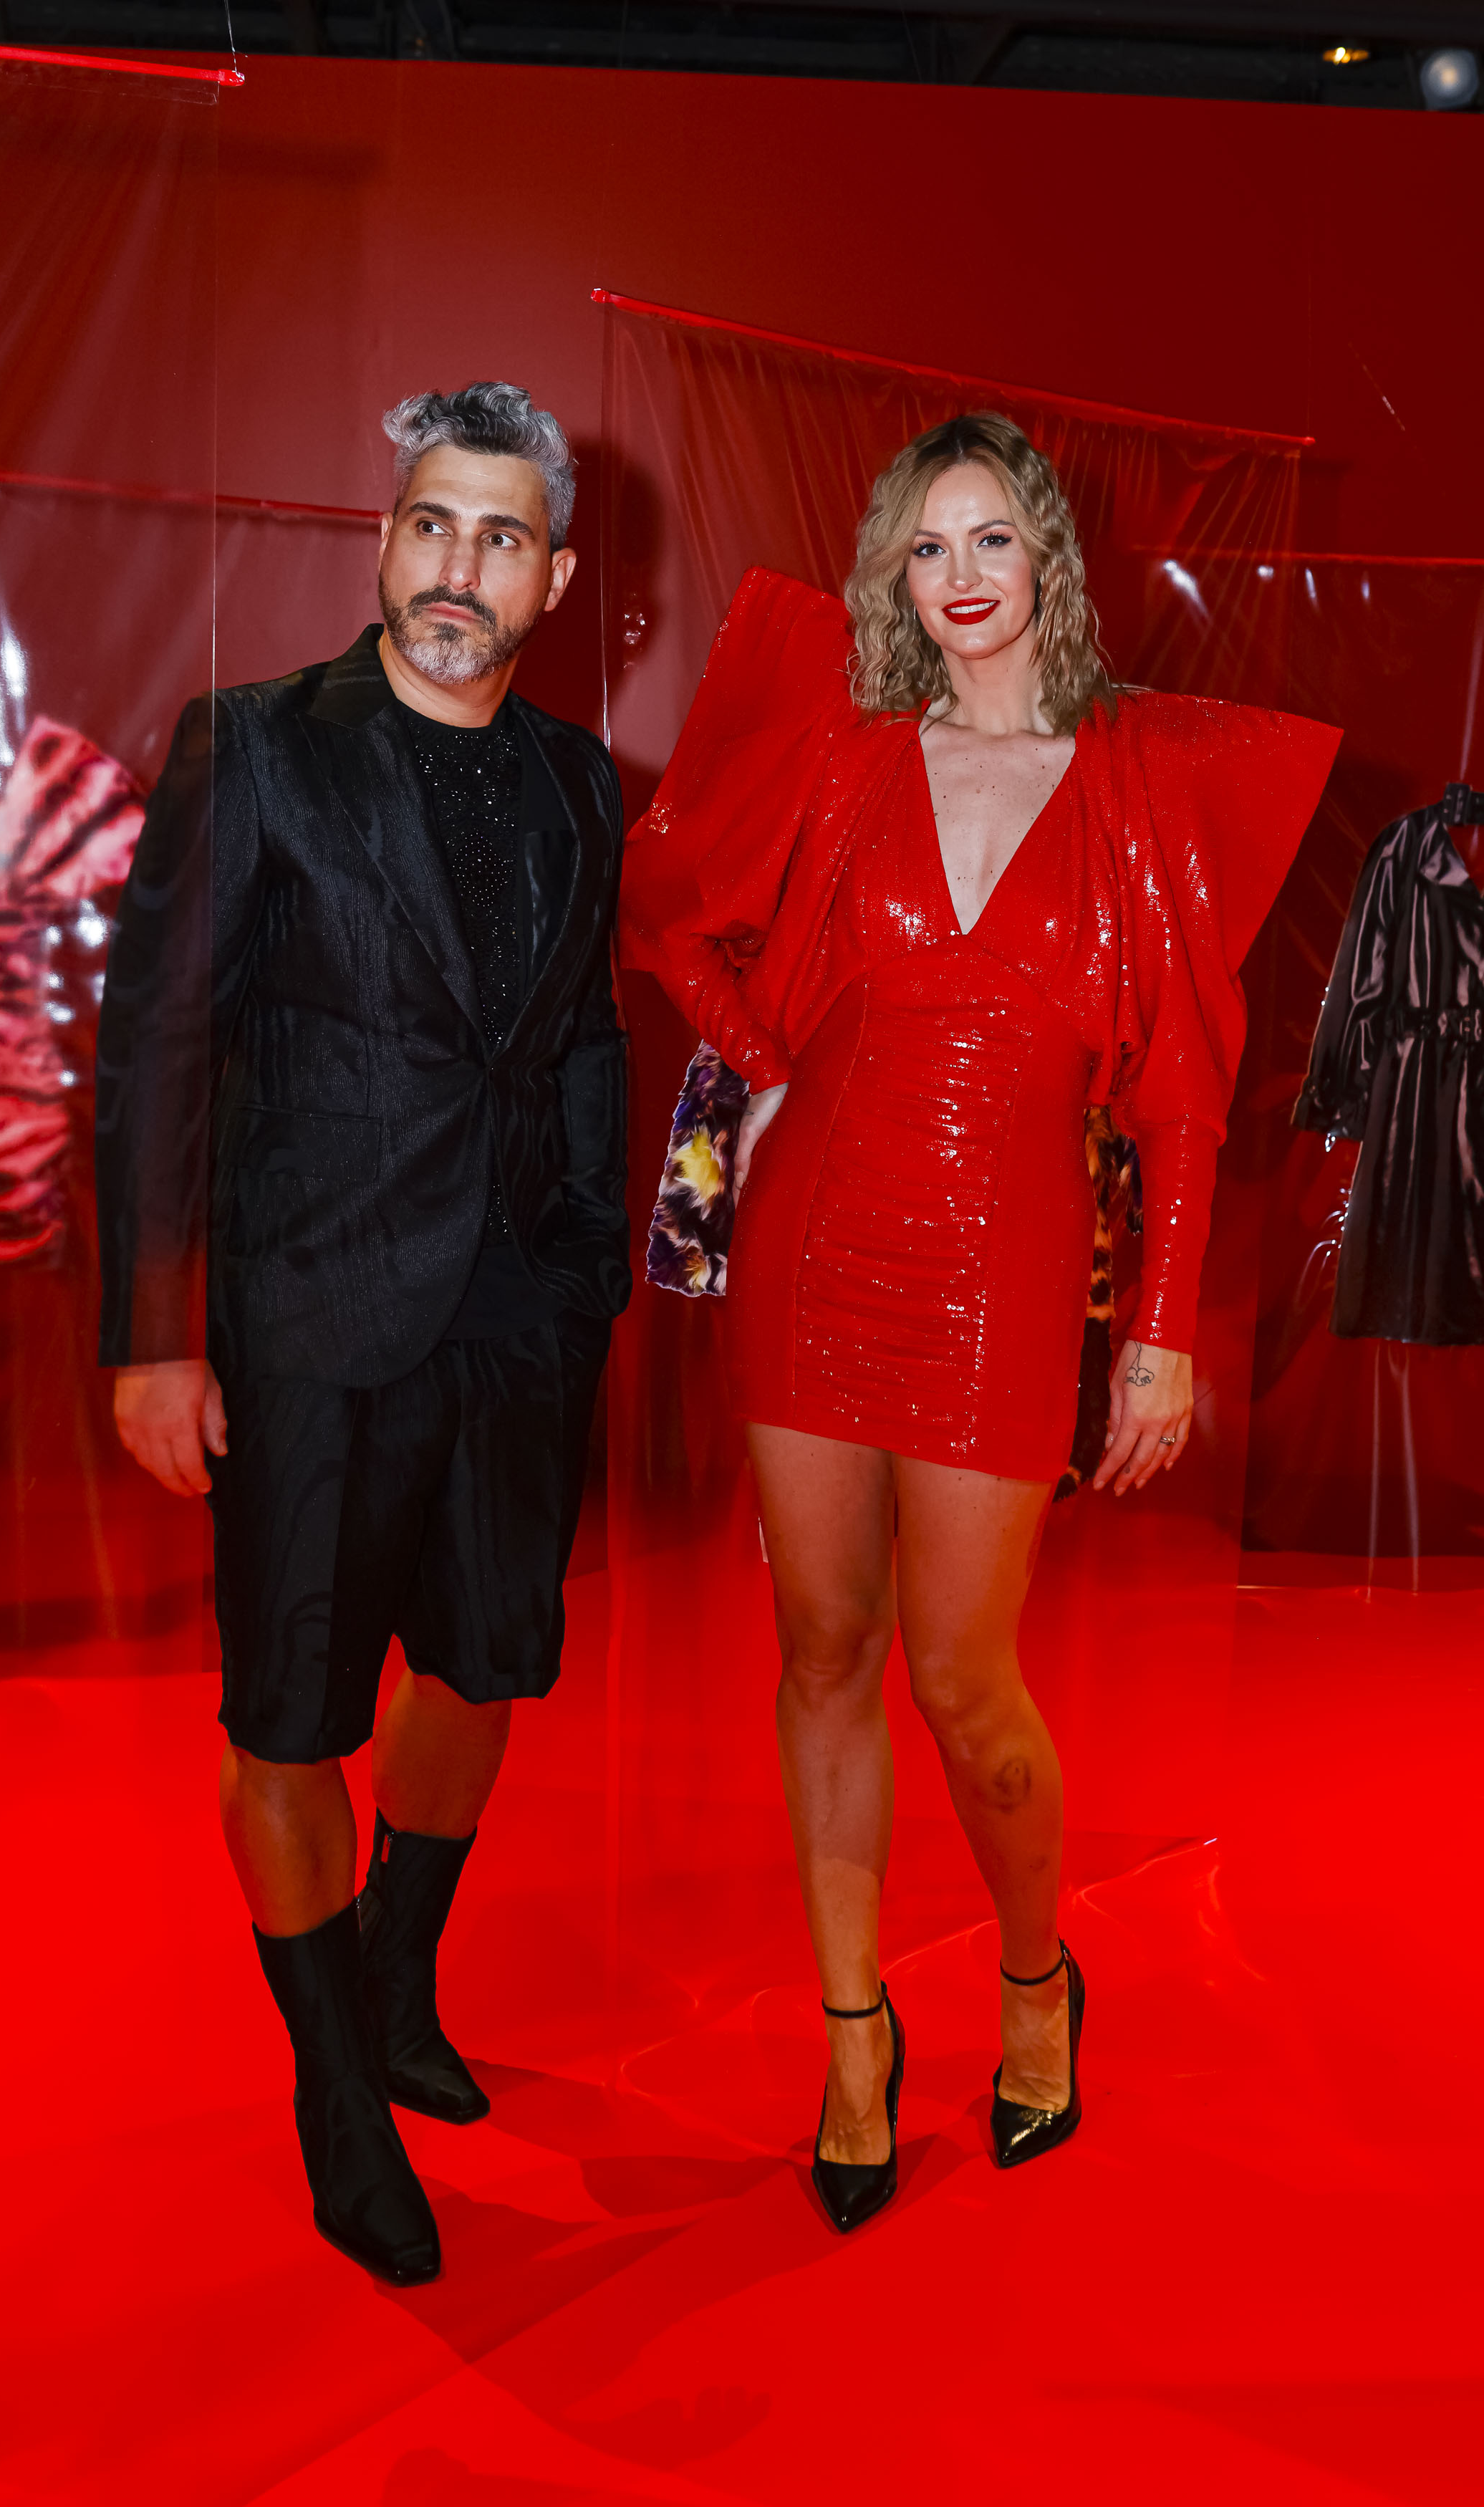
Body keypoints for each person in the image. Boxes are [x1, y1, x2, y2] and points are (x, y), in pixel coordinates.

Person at [621, 413, 1336, 2234]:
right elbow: (668, 904)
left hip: (1004, 1281)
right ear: (895, 574)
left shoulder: (1131, 782)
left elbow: (1184, 1091)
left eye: (991, 538)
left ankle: (1034, 1976)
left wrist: (1157, 1331)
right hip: (811, 1252)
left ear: (1045, 564)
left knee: (963, 1683)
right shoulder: (850, 753)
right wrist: (769, 1066)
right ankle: (854, 2038)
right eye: (926, 545)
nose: (959, 575)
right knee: (823, 1654)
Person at [95, 383, 630, 2284]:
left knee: (481, 1672)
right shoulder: (254, 745)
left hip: (513, 1322)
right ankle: (335, 2089)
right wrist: (154, 1333)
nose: (455, 567)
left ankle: (397, 1983)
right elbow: (156, 1046)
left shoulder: (582, 781)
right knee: (288, 1715)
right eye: (428, 524)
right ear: (384, 540)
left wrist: (588, 1266)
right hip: (308, 1315)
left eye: (499, 536)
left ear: (554, 575)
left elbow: (583, 1033)